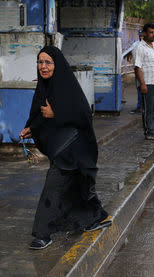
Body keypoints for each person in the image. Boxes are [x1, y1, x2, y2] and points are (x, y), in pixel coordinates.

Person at [20, 46, 111, 250]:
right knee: (78, 186)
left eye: (48, 62)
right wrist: (31, 128)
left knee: (53, 187)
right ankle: (95, 218)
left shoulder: (66, 85)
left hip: (75, 148)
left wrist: (57, 114)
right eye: (40, 62)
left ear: (57, 64)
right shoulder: (44, 86)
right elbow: (38, 112)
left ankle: (42, 234)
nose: (43, 67)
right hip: (61, 147)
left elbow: (83, 115)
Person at [129, 31, 145, 114]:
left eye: (142, 35)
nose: (141, 37)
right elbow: (130, 53)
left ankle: (143, 106)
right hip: (138, 69)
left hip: (146, 71)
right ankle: (140, 106)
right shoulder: (135, 44)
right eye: (140, 36)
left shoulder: (149, 45)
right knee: (139, 88)